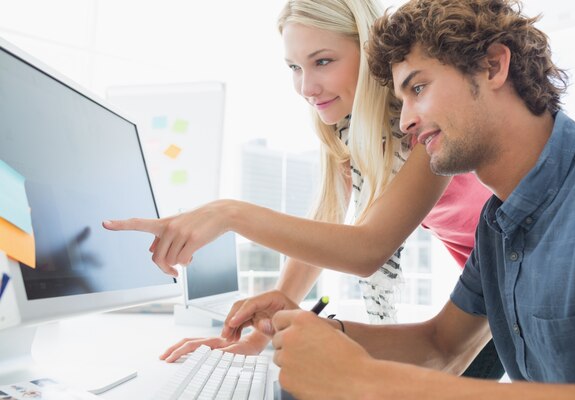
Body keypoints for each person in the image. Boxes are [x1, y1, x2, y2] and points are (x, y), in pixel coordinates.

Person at [223, 0, 575, 400]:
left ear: (492, 67)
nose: (405, 123)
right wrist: (310, 332)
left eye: (418, 89)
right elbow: (440, 346)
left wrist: (366, 384)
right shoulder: (497, 229)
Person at [103, 0, 502, 378]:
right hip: (484, 276)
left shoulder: (424, 121)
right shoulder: (347, 129)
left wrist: (227, 213)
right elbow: (325, 226)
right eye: (294, 66)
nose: (306, 86)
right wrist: (258, 333)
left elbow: (366, 249)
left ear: (369, 52)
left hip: (514, 269)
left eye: (323, 62)